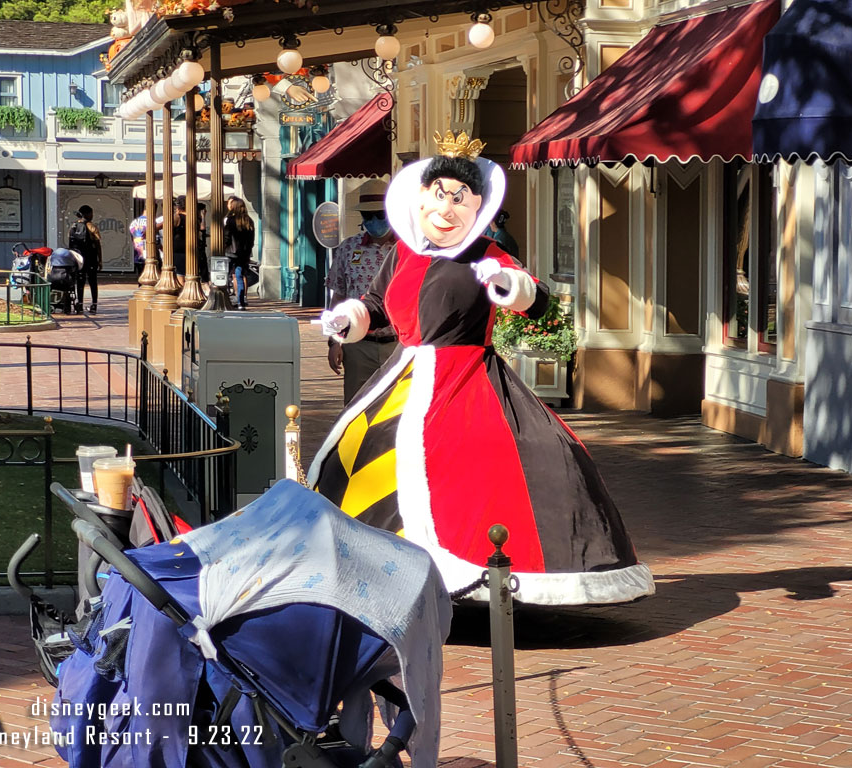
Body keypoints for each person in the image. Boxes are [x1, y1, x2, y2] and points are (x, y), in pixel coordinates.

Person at [311, 131, 654, 606]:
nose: (446, 210)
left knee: (500, 464)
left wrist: (510, 285)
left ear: (477, 207)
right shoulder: (403, 253)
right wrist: (347, 319)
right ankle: (378, 569)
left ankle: (471, 574)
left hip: (468, 378)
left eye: (459, 200)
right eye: (438, 196)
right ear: (421, 198)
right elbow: (376, 306)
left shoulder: (486, 255)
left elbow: (536, 300)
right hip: (402, 377)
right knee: (362, 459)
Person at [325, 180, 399, 404]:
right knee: (356, 408)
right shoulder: (348, 248)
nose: (374, 221)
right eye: (368, 217)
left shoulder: (407, 249)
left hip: (398, 344)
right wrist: (334, 342)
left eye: (379, 214)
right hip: (358, 345)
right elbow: (338, 296)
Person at [68, 205, 102, 314]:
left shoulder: (73, 226)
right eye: (91, 213)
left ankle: (80, 304)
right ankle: (94, 304)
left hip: (78, 258)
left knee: (80, 281)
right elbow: (97, 245)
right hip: (91, 258)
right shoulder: (92, 227)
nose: (92, 216)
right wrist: (100, 260)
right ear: (87, 214)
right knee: (92, 281)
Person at [224, 196, 255, 309]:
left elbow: (227, 237)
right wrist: (247, 252)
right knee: (239, 276)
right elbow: (251, 240)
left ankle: (226, 299)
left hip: (230, 253)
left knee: (225, 276)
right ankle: (241, 302)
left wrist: (223, 247)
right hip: (243, 254)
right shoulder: (249, 221)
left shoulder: (231, 221)